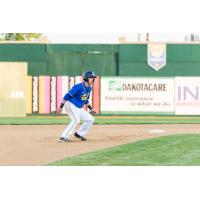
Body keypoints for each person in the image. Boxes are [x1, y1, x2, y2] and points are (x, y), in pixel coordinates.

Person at [56, 70, 97, 142]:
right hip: (70, 104)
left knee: (90, 119)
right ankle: (64, 137)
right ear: (86, 78)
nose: (92, 79)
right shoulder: (78, 87)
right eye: (91, 77)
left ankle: (79, 134)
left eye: (93, 78)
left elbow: (85, 100)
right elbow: (67, 96)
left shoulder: (89, 88)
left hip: (78, 107)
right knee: (76, 120)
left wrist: (91, 109)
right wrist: (60, 107)